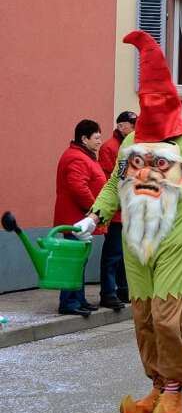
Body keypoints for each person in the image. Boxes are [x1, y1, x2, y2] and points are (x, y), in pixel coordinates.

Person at [77, 30, 182, 413]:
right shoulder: (132, 140)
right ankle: (157, 384)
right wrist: (95, 216)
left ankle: (174, 389)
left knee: (166, 318)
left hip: (177, 246)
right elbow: (115, 184)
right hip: (137, 245)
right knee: (143, 319)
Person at [54, 120, 107, 317]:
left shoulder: (83, 156)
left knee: (79, 261)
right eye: (96, 137)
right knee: (74, 262)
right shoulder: (77, 158)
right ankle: (69, 302)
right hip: (76, 220)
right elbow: (78, 188)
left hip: (80, 219)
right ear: (84, 139)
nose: (100, 141)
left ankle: (78, 299)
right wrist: (95, 211)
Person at [97, 111, 136, 309]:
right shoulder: (109, 148)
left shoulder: (130, 145)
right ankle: (108, 293)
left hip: (128, 212)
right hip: (117, 213)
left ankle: (123, 290)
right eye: (131, 124)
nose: (134, 127)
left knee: (124, 256)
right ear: (121, 126)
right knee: (112, 255)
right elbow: (109, 181)